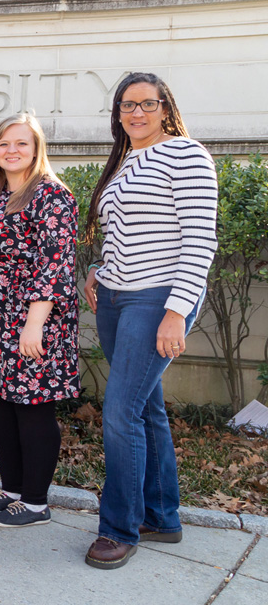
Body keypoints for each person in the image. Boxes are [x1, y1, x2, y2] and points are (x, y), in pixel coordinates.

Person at [81, 73, 217, 569]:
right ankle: (161, 516)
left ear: (165, 108)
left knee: (120, 412)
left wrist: (176, 312)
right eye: (127, 105)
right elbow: (128, 233)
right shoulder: (125, 161)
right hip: (116, 299)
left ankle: (119, 528)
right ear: (117, 113)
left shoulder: (186, 154)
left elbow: (199, 239)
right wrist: (99, 269)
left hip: (157, 299)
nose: (136, 112)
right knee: (145, 409)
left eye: (147, 103)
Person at [0, 113, 79, 528]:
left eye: (22, 143)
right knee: (2, 404)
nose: (12, 150)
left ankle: (36, 502)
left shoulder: (51, 196)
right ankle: (12, 490)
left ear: (36, 148)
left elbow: (54, 265)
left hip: (32, 319)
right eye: (4, 143)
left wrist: (34, 324)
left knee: (32, 407)